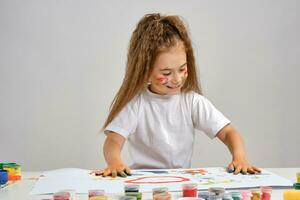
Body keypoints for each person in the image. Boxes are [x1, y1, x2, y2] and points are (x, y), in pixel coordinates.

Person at [99, 13, 261, 177]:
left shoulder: (192, 102)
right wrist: (115, 162)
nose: (177, 79)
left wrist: (239, 158)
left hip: (180, 181)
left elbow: (228, 132)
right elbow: (113, 140)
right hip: (143, 181)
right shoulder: (137, 104)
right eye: (166, 72)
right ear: (145, 72)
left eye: (182, 69)